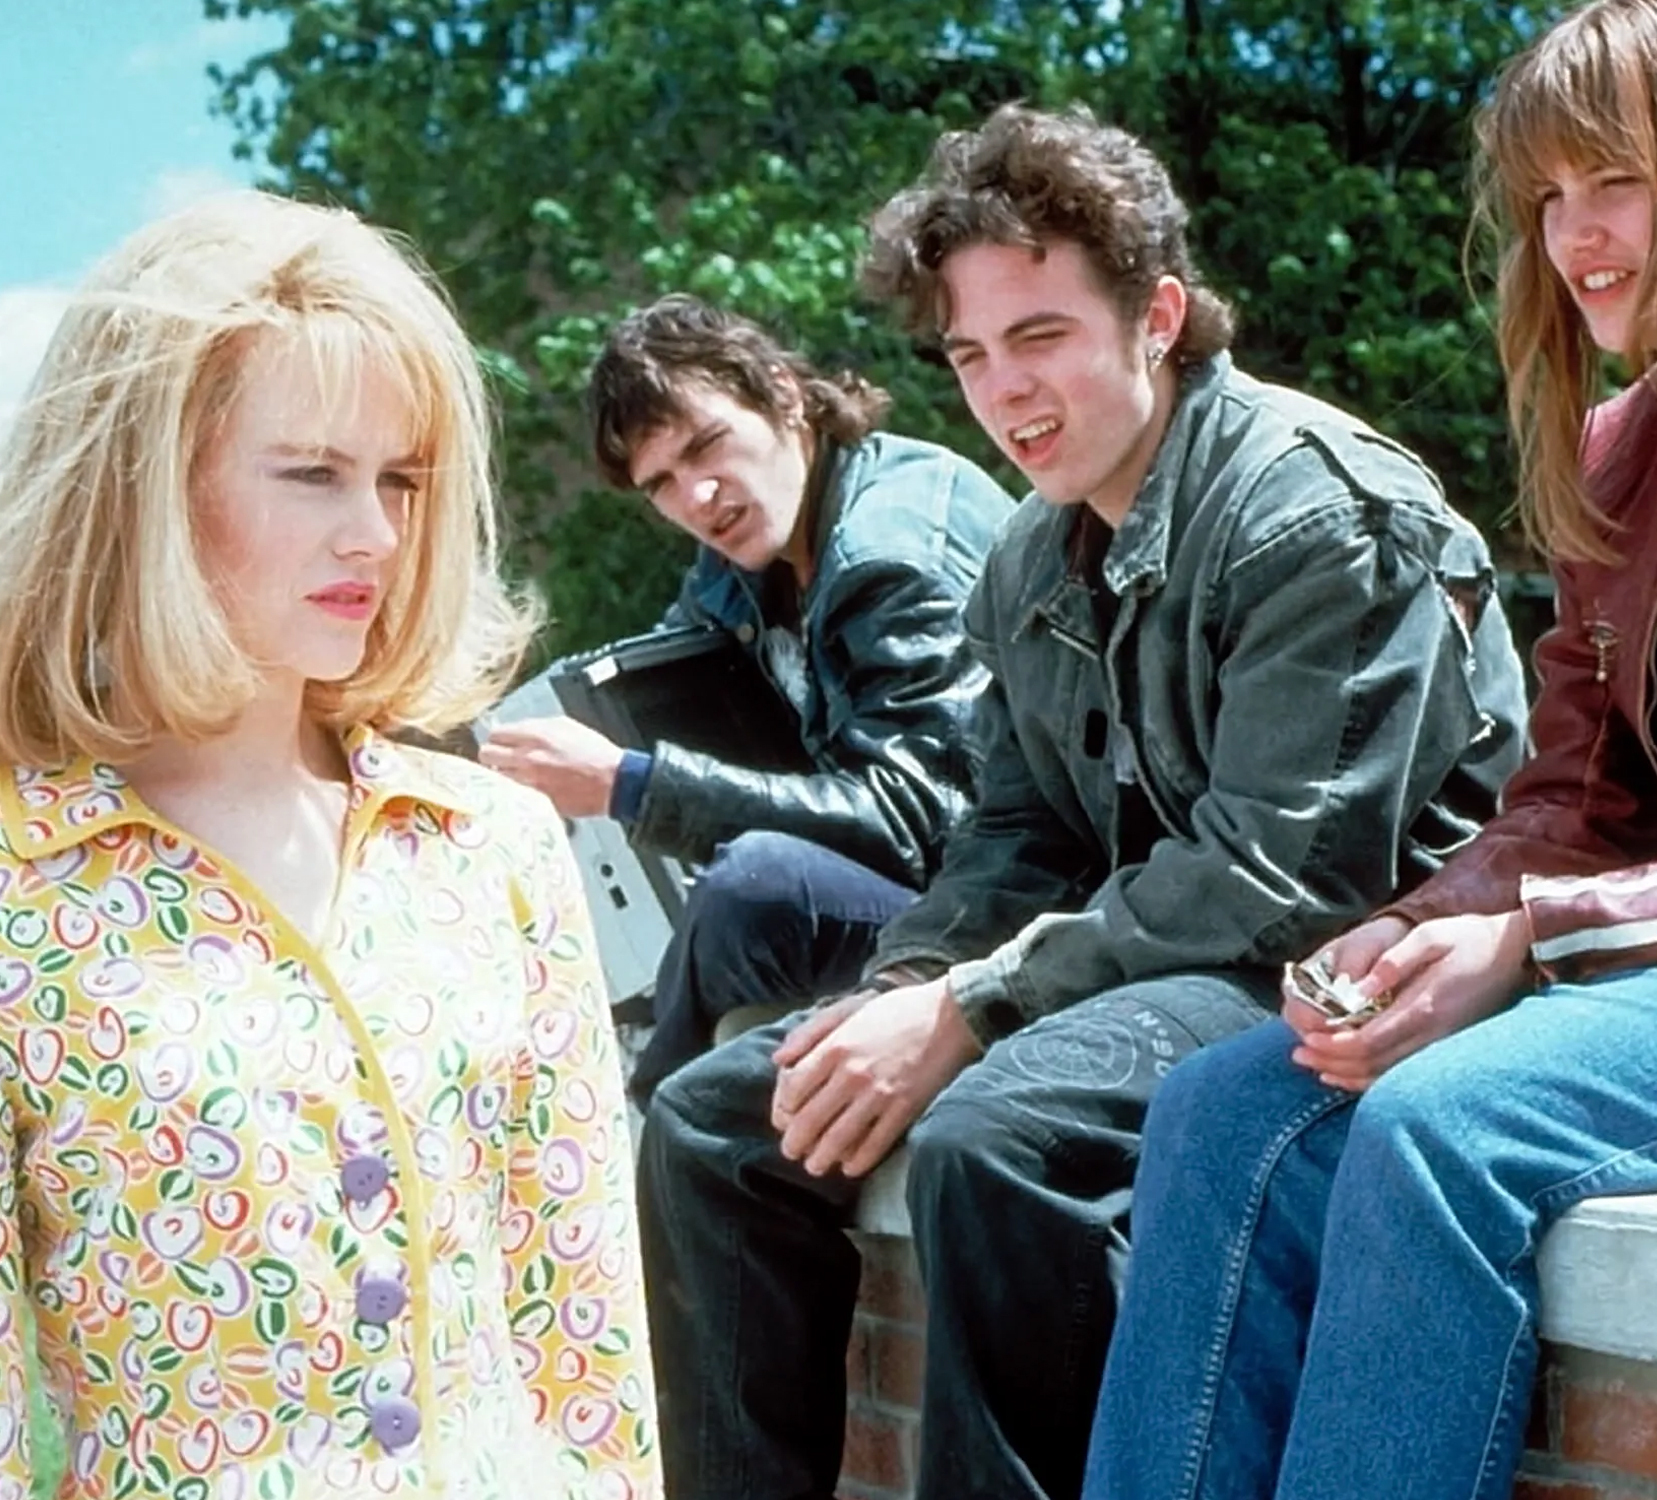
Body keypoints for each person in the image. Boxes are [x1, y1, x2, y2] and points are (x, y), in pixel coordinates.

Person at [1081, 2, 1657, 1497]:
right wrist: (1410, 936)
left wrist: (1540, 939)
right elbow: (1577, 796)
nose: (1574, 237)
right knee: (1227, 1105)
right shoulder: (1627, 449)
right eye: (1547, 197)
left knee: (1448, 1131)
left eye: (1613, 180)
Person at [640, 104, 1530, 1500]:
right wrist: (913, 981)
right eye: (972, 355)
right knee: (715, 1123)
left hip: (1333, 969)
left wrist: (973, 1010)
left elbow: (1278, 878)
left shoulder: (1312, 509)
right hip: (1143, 953)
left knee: (993, 1136)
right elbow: (1020, 828)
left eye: (1040, 336)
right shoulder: (1032, 555)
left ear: (1158, 314)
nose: (1005, 392)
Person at [0, 193, 660, 1500]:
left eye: (399, 478)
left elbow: (584, 1346)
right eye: (312, 471)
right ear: (144, 485)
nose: (375, 531)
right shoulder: (21, 879)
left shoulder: (497, 849)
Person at [478, 295, 1011, 1093]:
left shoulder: (889, 555)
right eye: (662, 482)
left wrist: (631, 784)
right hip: (926, 890)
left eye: (708, 445)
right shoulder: (746, 560)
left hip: (1004, 899)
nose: (697, 497)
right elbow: (662, 671)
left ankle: (641, 1118)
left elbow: (922, 821)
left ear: (784, 394)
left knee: (755, 883)